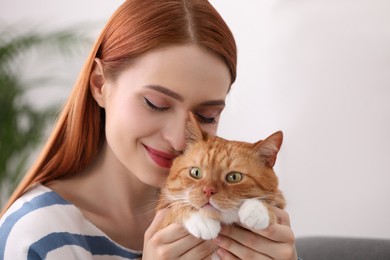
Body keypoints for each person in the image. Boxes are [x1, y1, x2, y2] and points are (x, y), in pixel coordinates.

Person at [0, 0, 298, 259]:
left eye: (207, 116)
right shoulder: (36, 235)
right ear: (100, 85)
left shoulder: (228, 211)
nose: (180, 139)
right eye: (155, 104)